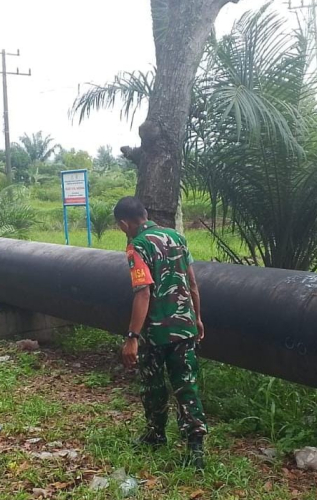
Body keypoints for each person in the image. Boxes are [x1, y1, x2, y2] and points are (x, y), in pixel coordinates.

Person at [113, 196, 208, 470]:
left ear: (124, 224)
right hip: (185, 327)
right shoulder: (176, 237)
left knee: (153, 385)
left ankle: (156, 434)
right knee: (186, 385)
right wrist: (197, 318)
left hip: (156, 332)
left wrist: (132, 337)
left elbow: (143, 292)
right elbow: (192, 282)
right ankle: (195, 448)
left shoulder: (137, 246)